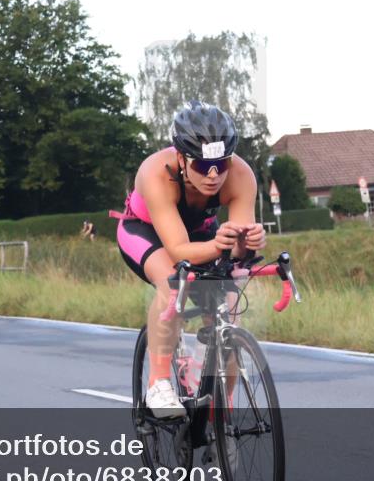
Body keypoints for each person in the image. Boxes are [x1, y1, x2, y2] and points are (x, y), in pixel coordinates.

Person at [110, 101, 265, 417]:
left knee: (229, 303)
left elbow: (237, 253)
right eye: (201, 166)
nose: (212, 177)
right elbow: (179, 250)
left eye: (220, 166)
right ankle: (158, 383)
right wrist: (222, 247)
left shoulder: (241, 175)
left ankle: (220, 410)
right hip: (146, 231)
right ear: (181, 158)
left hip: (201, 233)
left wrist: (246, 243)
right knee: (172, 284)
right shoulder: (155, 172)